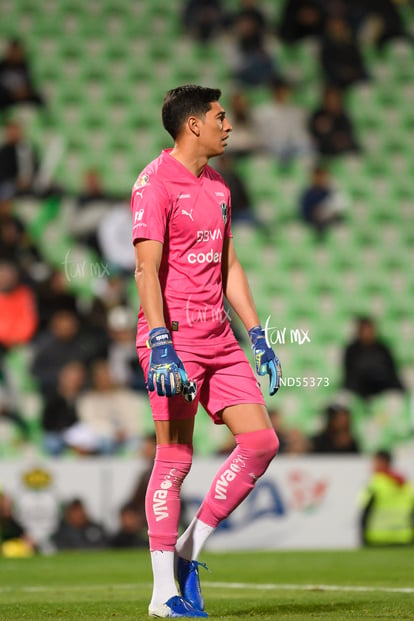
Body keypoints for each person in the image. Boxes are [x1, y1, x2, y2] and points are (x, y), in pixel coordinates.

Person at [131, 84, 281, 617]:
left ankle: (188, 552)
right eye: (221, 117)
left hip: (219, 337)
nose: (229, 125)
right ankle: (161, 594)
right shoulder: (154, 183)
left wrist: (257, 334)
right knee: (175, 458)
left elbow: (230, 264)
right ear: (193, 124)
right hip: (173, 340)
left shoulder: (218, 185)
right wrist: (158, 339)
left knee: (262, 443)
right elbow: (146, 268)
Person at [359, 450, 414, 546]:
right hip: (403, 537)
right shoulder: (406, 485)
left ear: (383, 462)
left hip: (378, 538)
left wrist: (362, 538)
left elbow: (365, 511)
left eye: (375, 462)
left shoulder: (376, 484)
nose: (372, 466)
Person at [343, 316, 405, 400]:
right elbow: (349, 376)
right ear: (359, 331)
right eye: (365, 330)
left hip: (382, 385)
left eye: (370, 330)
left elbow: (391, 373)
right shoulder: (352, 350)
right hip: (359, 388)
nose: (367, 333)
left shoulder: (383, 349)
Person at [309, 85, 360, 157]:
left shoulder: (344, 115)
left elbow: (350, 137)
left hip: (346, 154)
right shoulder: (318, 116)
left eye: (335, 98)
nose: (333, 101)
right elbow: (319, 139)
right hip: (326, 154)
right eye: (330, 98)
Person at [299, 164, 348, 236]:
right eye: (318, 176)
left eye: (323, 176)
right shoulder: (308, 193)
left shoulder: (329, 192)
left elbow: (341, 207)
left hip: (330, 223)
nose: (320, 179)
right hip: (313, 223)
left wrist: (334, 190)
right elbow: (304, 212)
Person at [0, 38, 45, 113]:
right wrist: (11, 93)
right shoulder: (2, 66)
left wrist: (24, 91)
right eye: (13, 52)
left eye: (18, 52)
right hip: (7, 96)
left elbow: (30, 83)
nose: (15, 55)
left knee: (39, 98)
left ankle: (40, 122)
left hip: (22, 95)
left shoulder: (24, 65)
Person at [0, 119, 38, 200]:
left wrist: (29, 180)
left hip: (30, 182)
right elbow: (2, 173)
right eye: (11, 131)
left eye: (16, 131)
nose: (14, 134)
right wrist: (16, 181)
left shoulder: (27, 149)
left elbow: (35, 168)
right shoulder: (3, 152)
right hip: (9, 184)